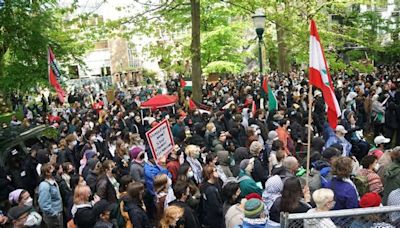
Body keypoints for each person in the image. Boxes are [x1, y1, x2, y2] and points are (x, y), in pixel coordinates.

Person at [38, 163, 63, 228]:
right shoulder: (44, 186)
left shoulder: (53, 181)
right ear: (47, 173)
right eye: (51, 169)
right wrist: (55, 214)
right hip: (53, 217)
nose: (54, 170)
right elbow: (44, 204)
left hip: (58, 213)